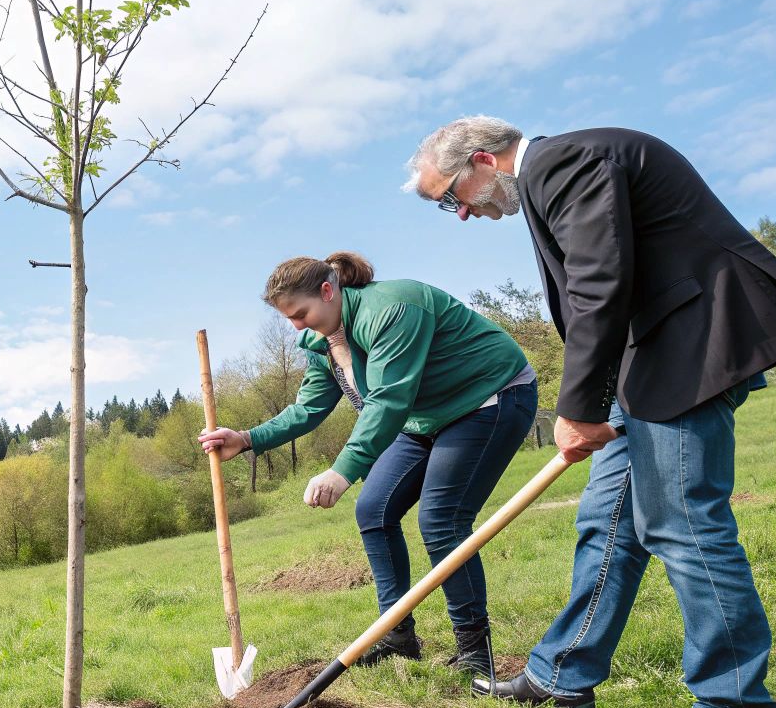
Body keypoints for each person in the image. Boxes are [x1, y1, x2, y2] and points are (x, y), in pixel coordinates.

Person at [406, 115, 776, 708]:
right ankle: (561, 679)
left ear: (483, 163)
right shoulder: (563, 170)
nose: (459, 214)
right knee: (606, 522)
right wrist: (601, 398)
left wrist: (577, 407)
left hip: (691, 347)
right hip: (651, 363)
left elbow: (600, 280)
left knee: (685, 522)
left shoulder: (564, 163)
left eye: (450, 198)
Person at [200, 252, 538, 680]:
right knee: (374, 509)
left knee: (441, 519)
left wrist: (341, 472)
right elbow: (309, 408)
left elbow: (388, 400)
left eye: (300, 314)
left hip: (490, 397)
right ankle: (396, 635)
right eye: (289, 319)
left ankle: (474, 649)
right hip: (423, 417)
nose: (296, 326)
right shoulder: (321, 341)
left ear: (328, 291)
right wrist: (248, 438)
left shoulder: (393, 309)